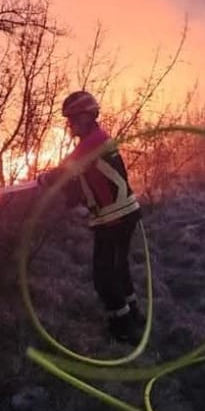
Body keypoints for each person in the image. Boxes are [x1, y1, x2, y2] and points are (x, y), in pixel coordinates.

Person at [37, 90, 144, 345]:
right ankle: (134, 315)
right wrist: (72, 194)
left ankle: (123, 327)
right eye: (69, 119)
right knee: (117, 268)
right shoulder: (93, 143)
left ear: (88, 116)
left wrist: (47, 178)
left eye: (74, 118)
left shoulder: (95, 141)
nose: (70, 124)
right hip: (116, 215)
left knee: (104, 276)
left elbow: (69, 167)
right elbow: (86, 178)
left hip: (115, 217)